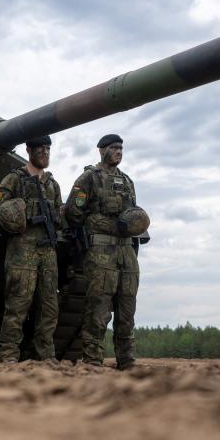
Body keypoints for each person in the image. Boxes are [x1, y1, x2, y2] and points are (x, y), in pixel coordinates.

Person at [0, 136, 63, 363]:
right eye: (40, 148)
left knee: (49, 307)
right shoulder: (14, 179)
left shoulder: (52, 184)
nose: (45, 152)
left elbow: (59, 214)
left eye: (48, 148)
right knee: (18, 305)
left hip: (48, 251)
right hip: (22, 249)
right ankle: (9, 355)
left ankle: (45, 355)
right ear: (28, 150)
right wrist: (17, 214)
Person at [66, 134, 140, 370]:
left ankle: (126, 361)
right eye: (113, 148)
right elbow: (73, 212)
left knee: (127, 310)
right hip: (100, 253)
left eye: (121, 148)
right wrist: (96, 227)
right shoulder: (89, 178)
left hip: (126, 252)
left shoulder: (127, 181)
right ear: (101, 151)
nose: (118, 151)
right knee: (98, 311)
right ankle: (93, 362)